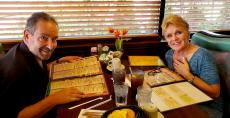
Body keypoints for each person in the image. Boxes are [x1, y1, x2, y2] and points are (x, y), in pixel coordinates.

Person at [0, 12, 84, 118]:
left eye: (54, 39)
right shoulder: (15, 71)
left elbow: (36, 71)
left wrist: (58, 62)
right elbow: (18, 115)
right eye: (43, 38)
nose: (50, 46)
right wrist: (54, 99)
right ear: (27, 36)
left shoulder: (27, 50)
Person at [161, 14, 222, 118]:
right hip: (184, 99)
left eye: (178, 32)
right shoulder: (169, 54)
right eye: (169, 35)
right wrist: (169, 73)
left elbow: (215, 93)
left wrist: (188, 75)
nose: (174, 38)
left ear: (188, 34)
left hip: (206, 107)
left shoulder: (202, 56)